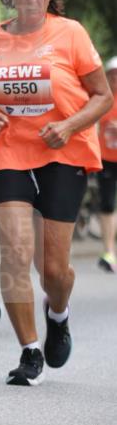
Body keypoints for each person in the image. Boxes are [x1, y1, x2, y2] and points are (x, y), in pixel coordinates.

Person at [0, 0, 112, 386]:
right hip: (9, 151)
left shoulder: (70, 34)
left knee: (53, 270)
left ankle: (59, 313)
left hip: (61, 153)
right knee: (14, 253)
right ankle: (30, 352)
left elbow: (102, 96)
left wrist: (68, 126)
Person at [97, 57, 117, 272]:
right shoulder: (102, 98)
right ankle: (109, 251)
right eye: (112, 75)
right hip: (106, 159)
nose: (115, 79)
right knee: (107, 204)